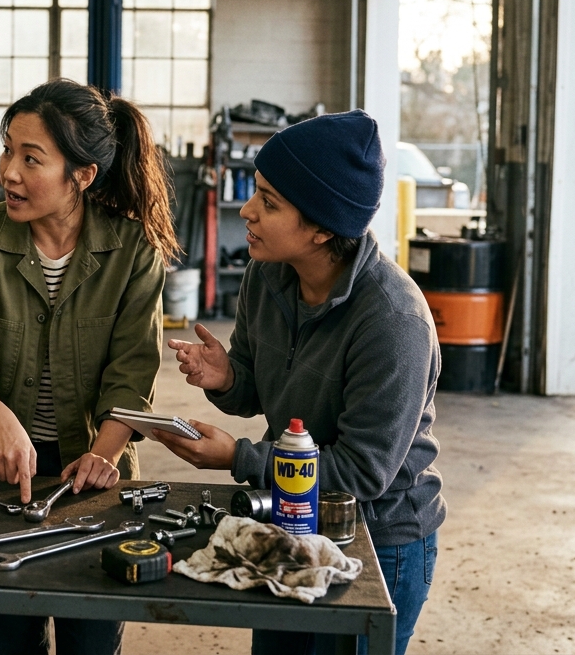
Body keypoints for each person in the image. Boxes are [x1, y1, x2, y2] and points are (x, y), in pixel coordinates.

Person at [161, 110, 444, 655]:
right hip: (291, 518)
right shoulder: (268, 276)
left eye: (269, 202)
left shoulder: (393, 322)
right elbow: (260, 393)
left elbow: (362, 472)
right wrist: (226, 377)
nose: (247, 211)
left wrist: (240, 459)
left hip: (379, 538)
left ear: (321, 227)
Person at [0, 79, 179, 655]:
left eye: (30, 158)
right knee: (7, 639)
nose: (8, 172)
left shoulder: (133, 249)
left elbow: (133, 370)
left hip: (95, 479)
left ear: (83, 176)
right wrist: (0, 421)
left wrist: (103, 453)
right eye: (7, 150)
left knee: (91, 638)